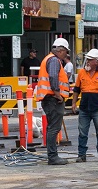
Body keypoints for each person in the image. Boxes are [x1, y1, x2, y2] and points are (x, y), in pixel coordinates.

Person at [31, 37, 73, 165]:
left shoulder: (48, 59)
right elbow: (53, 77)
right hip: (53, 99)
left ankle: (52, 156)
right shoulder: (54, 60)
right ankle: (53, 157)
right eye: (66, 51)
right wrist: (58, 94)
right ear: (60, 50)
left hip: (49, 99)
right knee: (54, 128)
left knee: (52, 128)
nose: (67, 54)